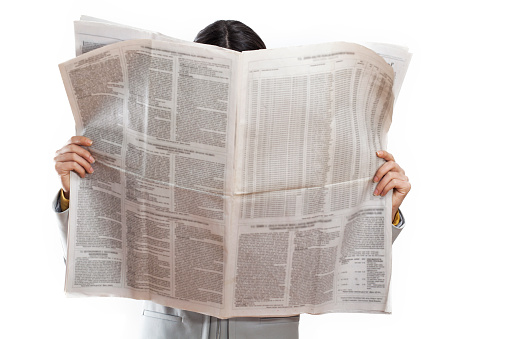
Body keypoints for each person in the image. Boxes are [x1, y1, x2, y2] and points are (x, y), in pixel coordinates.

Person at [53, 20, 411, 339]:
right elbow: (100, 261)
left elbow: (337, 264)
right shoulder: (154, 146)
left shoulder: (304, 152)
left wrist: (382, 210)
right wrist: (77, 192)